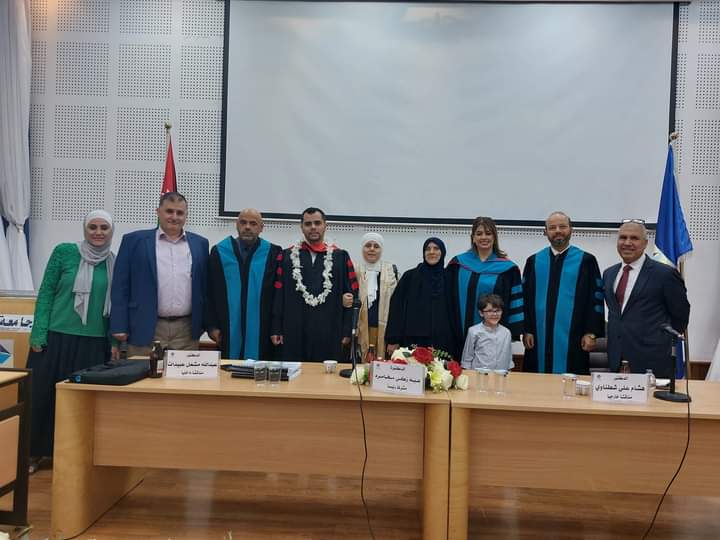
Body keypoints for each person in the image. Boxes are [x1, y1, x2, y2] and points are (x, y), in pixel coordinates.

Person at [27, 210, 116, 471]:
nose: (98, 232)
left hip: (94, 343)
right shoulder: (64, 252)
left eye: (104, 228)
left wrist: (115, 344)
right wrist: (38, 332)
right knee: (42, 397)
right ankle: (33, 454)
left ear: (111, 232)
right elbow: (46, 293)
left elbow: (116, 307)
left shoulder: (114, 262)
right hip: (55, 339)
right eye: (92, 227)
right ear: (84, 229)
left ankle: (73, 455)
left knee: (81, 404)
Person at [110, 192, 209, 356]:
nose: (174, 217)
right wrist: (119, 324)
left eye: (180, 213)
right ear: (158, 212)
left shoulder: (200, 244)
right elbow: (120, 286)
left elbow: (205, 287)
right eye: (169, 211)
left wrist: (205, 324)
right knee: (142, 372)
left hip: (186, 330)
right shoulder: (134, 241)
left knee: (183, 373)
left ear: (186, 215)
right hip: (144, 326)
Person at [603, 220, 690, 377]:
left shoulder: (665, 274)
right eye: (623, 237)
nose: (627, 243)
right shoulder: (609, 274)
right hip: (616, 358)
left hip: (653, 360)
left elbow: (681, 315)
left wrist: (659, 340)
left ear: (645, 243)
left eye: (634, 238)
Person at [522, 212, 605, 374]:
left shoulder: (586, 261)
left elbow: (595, 299)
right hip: (538, 336)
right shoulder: (534, 261)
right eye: (552, 227)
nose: (558, 231)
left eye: (562, 226)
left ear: (571, 230)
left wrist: (591, 333)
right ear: (545, 232)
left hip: (575, 336)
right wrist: (527, 329)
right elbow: (526, 299)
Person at [271, 207, 358, 361]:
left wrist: (346, 331)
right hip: (294, 330)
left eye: (317, 223)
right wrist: (276, 328)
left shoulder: (340, 257)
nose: (313, 227)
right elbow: (278, 295)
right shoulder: (286, 256)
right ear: (301, 227)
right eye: (308, 224)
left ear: (325, 225)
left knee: (326, 374)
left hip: (330, 331)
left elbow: (352, 296)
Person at [205, 209, 283, 360]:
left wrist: (276, 328)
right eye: (243, 222)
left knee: (259, 371)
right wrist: (211, 326)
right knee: (228, 371)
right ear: (236, 225)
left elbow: (278, 296)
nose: (247, 227)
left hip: (262, 332)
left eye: (253, 223)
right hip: (227, 329)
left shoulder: (273, 253)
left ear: (261, 228)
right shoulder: (220, 252)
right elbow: (209, 292)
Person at [447, 217, 524, 343]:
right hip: (458, 334)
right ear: (473, 238)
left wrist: (514, 331)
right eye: (479, 234)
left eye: (488, 233)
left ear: (494, 237)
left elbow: (514, 302)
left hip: (494, 339)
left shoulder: (508, 269)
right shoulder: (457, 265)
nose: (484, 237)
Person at [385, 238, 458, 357]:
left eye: (436, 248)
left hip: (443, 342)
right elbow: (397, 308)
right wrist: (393, 339)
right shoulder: (410, 277)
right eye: (428, 249)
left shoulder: (450, 278)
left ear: (443, 252)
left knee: (439, 369)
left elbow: (456, 311)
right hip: (413, 341)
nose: (431, 252)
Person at [356, 232, 399, 359]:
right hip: (359, 332)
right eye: (368, 245)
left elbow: (397, 306)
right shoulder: (354, 270)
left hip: (384, 332)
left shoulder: (391, 271)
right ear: (362, 248)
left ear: (381, 249)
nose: (372, 249)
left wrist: (394, 337)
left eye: (376, 246)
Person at [461, 294, 513, 371]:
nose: (495, 314)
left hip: (501, 375)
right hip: (479, 374)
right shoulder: (473, 331)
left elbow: (509, 358)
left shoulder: (506, 332)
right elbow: (466, 359)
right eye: (490, 311)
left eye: (498, 310)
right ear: (481, 313)